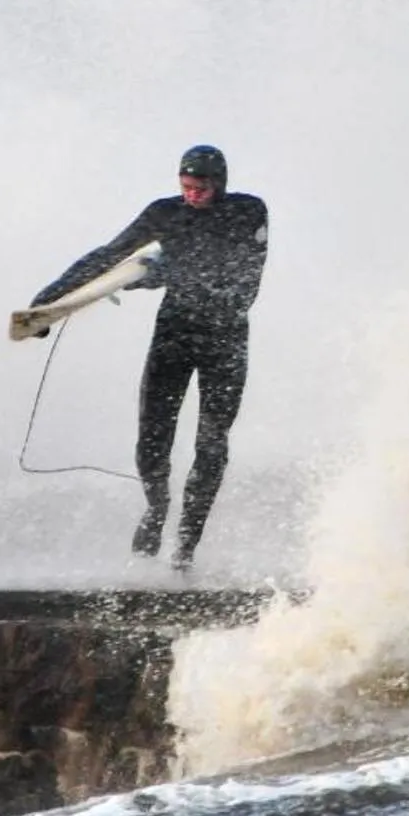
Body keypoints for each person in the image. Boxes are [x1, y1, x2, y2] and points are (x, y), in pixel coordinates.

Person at [28, 145, 267, 567]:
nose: (193, 194)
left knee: (211, 443)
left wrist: (163, 274)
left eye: (202, 187)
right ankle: (156, 507)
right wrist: (50, 300)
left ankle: (186, 547)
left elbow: (241, 277)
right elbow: (109, 255)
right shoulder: (164, 213)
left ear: (220, 183)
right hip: (174, 333)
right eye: (187, 186)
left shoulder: (248, 213)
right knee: (152, 436)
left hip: (225, 339)